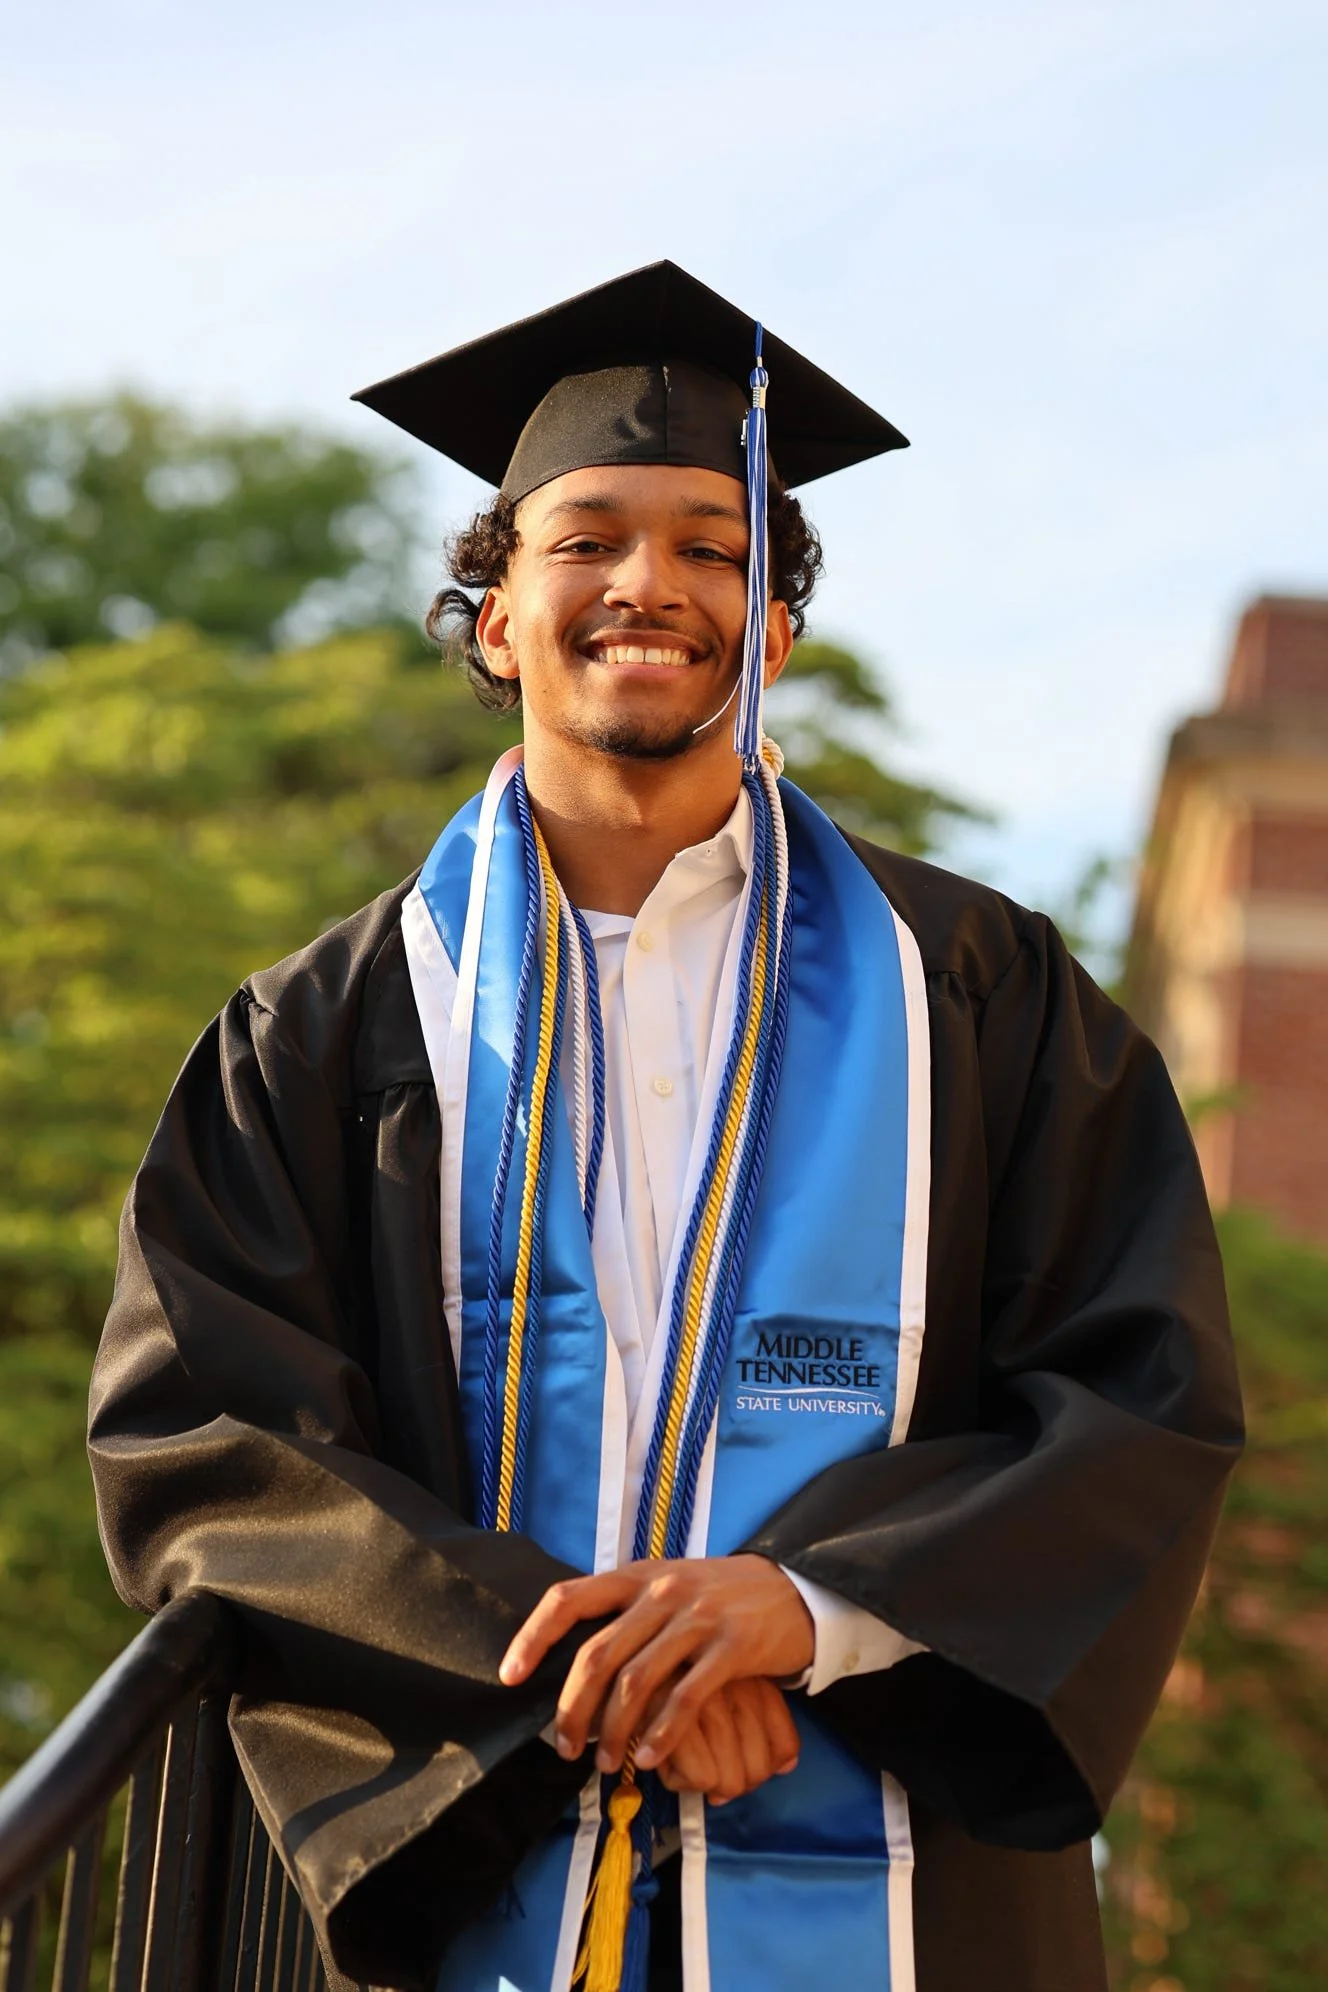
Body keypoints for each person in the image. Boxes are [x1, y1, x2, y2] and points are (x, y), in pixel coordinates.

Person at [88, 261, 1243, 1992]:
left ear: (774, 631)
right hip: (475, 1857)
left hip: (904, 1878)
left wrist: (812, 1612)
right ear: (493, 617)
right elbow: (211, 1439)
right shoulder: (326, 1031)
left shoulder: (981, 994)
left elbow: (1139, 1394)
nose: (653, 585)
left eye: (714, 547)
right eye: (590, 540)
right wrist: (581, 1663)